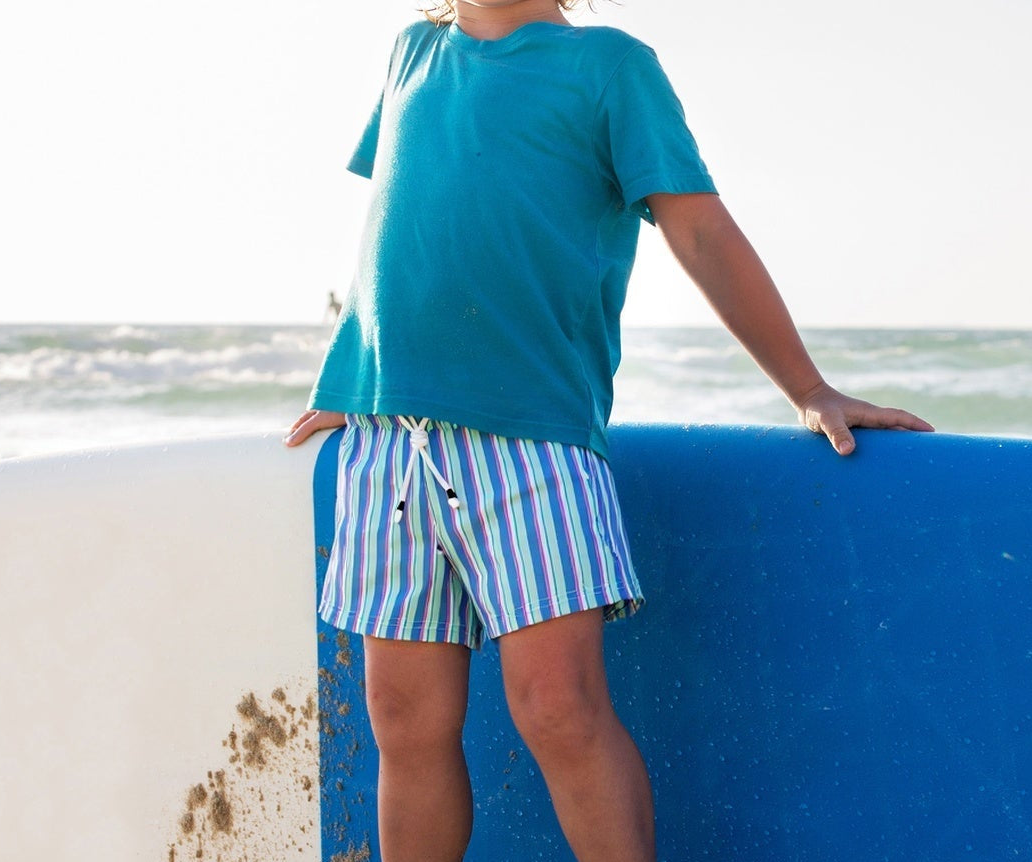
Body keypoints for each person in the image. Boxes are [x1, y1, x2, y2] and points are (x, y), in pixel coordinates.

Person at [284, 1, 933, 859]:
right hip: (387, 442)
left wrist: (808, 387)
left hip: (535, 442)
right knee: (402, 719)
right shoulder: (412, 53)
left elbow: (700, 230)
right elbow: (396, 232)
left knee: (558, 707)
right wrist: (354, 375)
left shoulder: (610, 66)